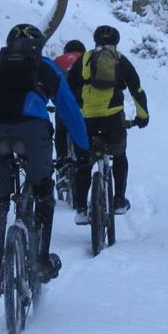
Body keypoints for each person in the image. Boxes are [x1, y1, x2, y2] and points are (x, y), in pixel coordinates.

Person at [0, 24, 89, 295]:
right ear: (38, 47)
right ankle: (42, 259)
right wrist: (83, 148)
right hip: (32, 131)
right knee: (43, 190)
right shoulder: (45, 66)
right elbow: (69, 109)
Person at [67, 25, 149, 224]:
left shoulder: (84, 58)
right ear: (116, 42)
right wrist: (142, 116)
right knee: (119, 155)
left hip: (86, 118)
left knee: (83, 162)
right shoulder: (120, 60)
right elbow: (136, 89)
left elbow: (70, 85)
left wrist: (76, 110)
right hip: (113, 117)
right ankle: (119, 200)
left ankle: (80, 208)